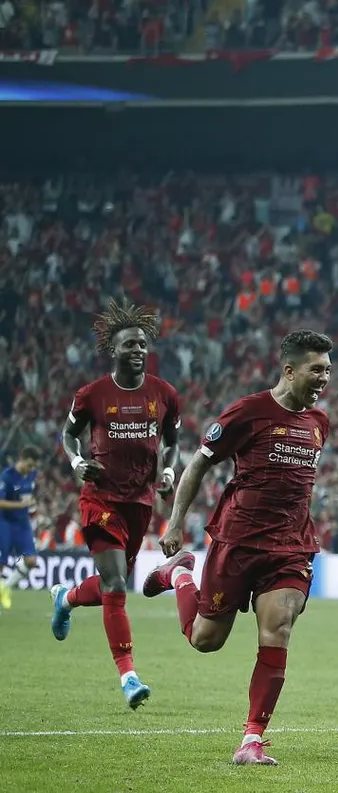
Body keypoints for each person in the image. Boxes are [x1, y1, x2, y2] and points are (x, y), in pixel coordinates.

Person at [145, 330, 335, 765]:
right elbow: (197, 465)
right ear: (289, 370)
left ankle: (251, 739)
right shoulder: (247, 413)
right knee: (205, 639)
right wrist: (176, 523)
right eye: (316, 369)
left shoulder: (319, 423)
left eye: (328, 370)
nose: (324, 378)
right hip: (238, 542)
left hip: (290, 546)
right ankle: (180, 573)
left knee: (278, 628)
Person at [49, 301, 181, 708]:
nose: (138, 350)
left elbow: (172, 442)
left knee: (113, 587)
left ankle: (66, 598)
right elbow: (69, 436)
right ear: (114, 350)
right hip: (100, 498)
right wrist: (77, 462)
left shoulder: (164, 394)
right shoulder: (92, 395)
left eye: (142, 344)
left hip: (139, 503)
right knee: (117, 586)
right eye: (130, 345)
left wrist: (169, 472)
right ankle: (128, 676)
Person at [0, 448, 42, 608]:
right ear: (22, 458)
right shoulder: (7, 476)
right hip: (5, 521)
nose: (32, 469)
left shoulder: (31, 475)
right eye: (30, 465)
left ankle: (5, 588)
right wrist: (20, 504)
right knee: (1, 562)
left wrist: (31, 502)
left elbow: (27, 493)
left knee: (31, 560)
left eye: (34, 466)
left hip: (22, 522)